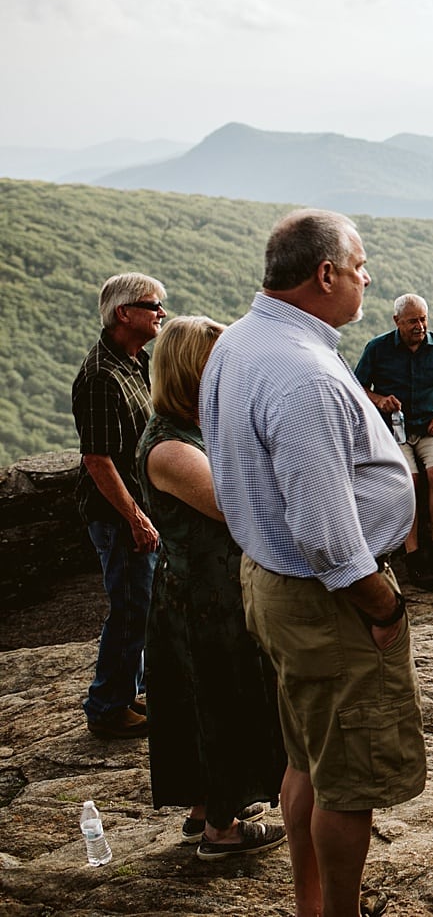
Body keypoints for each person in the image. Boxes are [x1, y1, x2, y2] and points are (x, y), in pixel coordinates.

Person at [201, 209, 424, 917]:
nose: (368, 277)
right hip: (328, 600)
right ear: (324, 274)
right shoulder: (304, 377)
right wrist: (384, 605)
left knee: (305, 756)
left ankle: (312, 903)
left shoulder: (240, 342)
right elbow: (327, 534)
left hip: (269, 577)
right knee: (347, 780)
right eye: (361, 267)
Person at [135, 315, 287, 860]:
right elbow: (230, 506)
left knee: (204, 703)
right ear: (193, 369)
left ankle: (206, 804)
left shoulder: (197, 428)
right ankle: (221, 830)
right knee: (220, 704)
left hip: (211, 593)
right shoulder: (170, 447)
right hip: (200, 601)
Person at [74, 272, 166, 740]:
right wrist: (136, 517)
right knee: (131, 608)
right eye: (153, 306)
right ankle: (107, 706)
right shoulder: (99, 377)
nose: (161, 313)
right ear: (123, 313)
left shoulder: (133, 361)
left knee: (142, 605)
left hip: (138, 506)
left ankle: (128, 692)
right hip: (118, 515)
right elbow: (98, 460)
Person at [354, 293, 433, 589]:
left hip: (430, 426)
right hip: (393, 432)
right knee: (409, 481)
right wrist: (379, 400)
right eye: (412, 321)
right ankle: (413, 554)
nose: (420, 326)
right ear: (397, 322)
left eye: (423, 319)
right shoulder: (378, 348)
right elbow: (356, 387)